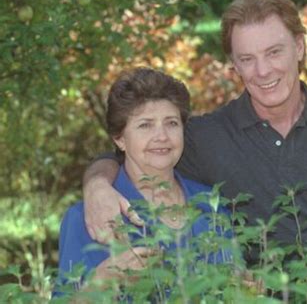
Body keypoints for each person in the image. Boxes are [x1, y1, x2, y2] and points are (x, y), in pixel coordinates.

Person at [81, 0, 307, 298]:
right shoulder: (206, 137)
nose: (263, 71)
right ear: (234, 65)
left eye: (274, 52)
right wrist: (97, 186)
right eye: (247, 58)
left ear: (300, 47)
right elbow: (125, 152)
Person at [56, 68, 232, 296]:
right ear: (119, 139)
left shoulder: (212, 204)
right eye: (145, 125)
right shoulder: (87, 218)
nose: (162, 136)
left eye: (171, 123)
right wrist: (98, 285)